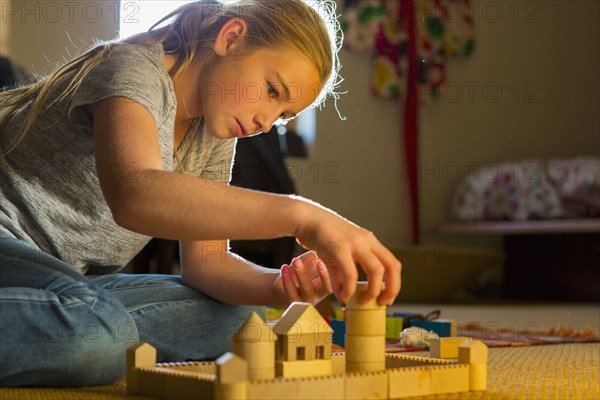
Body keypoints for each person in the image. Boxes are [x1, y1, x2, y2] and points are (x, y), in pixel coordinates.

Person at [0, 0, 401, 387]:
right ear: (231, 38)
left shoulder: (212, 132)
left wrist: (279, 286)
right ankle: (94, 329)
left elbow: (205, 265)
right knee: (99, 333)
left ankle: (83, 326)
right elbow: (135, 193)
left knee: (243, 323)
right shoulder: (131, 70)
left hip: (64, 283)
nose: (267, 120)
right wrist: (304, 216)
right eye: (271, 90)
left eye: (283, 116)